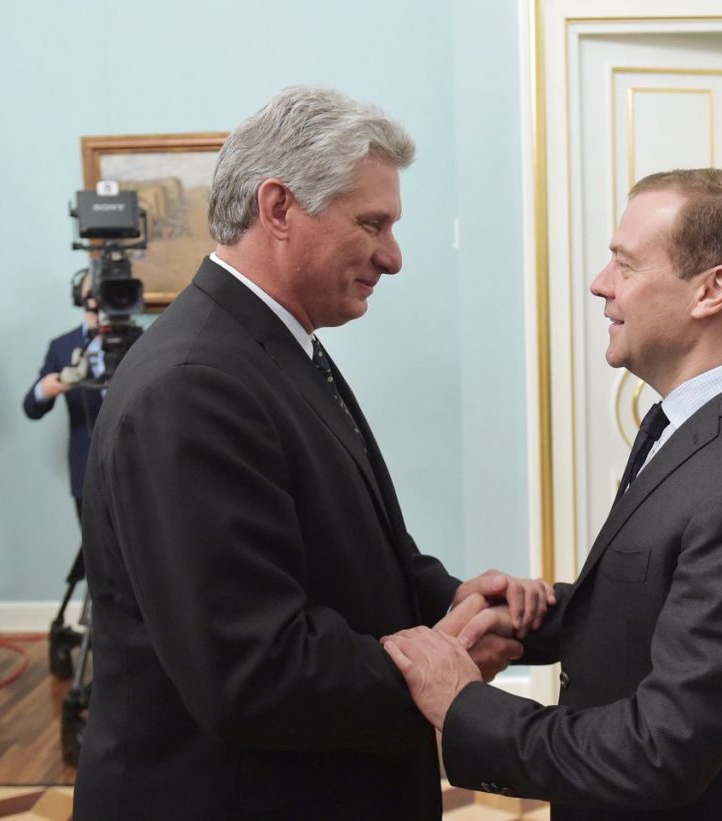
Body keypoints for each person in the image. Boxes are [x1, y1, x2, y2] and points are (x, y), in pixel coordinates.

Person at [74, 85, 553, 821]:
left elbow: (348, 559)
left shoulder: (273, 348)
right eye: (372, 223)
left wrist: (454, 600)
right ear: (278, 208)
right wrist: (438, 663)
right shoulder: (194, 384)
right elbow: (252, 670)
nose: (392, 256)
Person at [383, 168, 722, 820]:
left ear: (712, 289)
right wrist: (531, 619)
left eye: (625, 264)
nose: (601, 283)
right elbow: (665, 598)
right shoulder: (693, 424)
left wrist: (464, 704)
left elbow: (658, 751)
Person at [22, 272, 102, 522]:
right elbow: (31, 407)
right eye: (93, 290)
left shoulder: (138, 341)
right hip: (86, 467)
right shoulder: (62, 346)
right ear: (81, 296)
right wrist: (43, 389)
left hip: (136, 466)